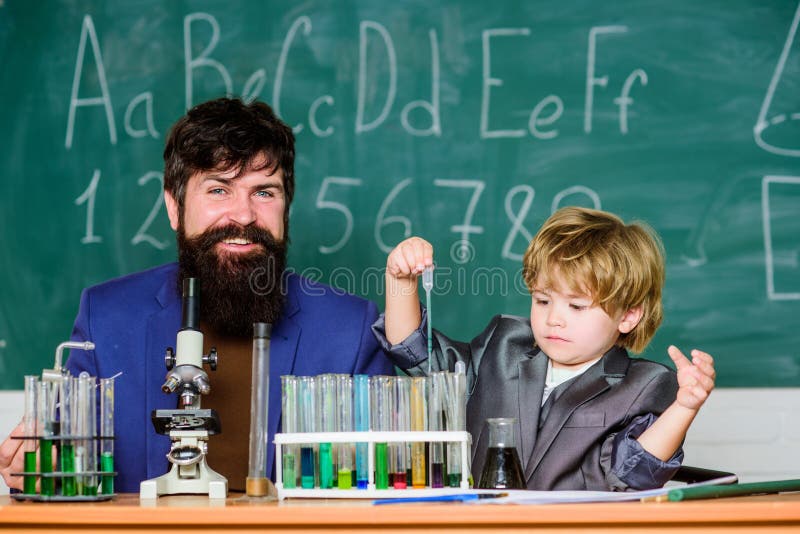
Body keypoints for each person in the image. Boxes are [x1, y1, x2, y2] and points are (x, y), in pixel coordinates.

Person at [0, 97, 394, 493]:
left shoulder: (349, 330)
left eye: (264, 192)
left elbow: (385, 489)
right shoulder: (107, 318)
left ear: (286, 206)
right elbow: (59, 462)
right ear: (175, 206)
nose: (242, 215)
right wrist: (35, 469)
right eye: (219, 190)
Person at [372, 206, 716, 491]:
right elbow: (415, 352)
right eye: (542, 300)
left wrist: (684, 408)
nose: (554, 319)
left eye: (577, 307)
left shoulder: (645, 385)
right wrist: (401, 280)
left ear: (628, 316)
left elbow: (633, 472)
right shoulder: (503, 346)